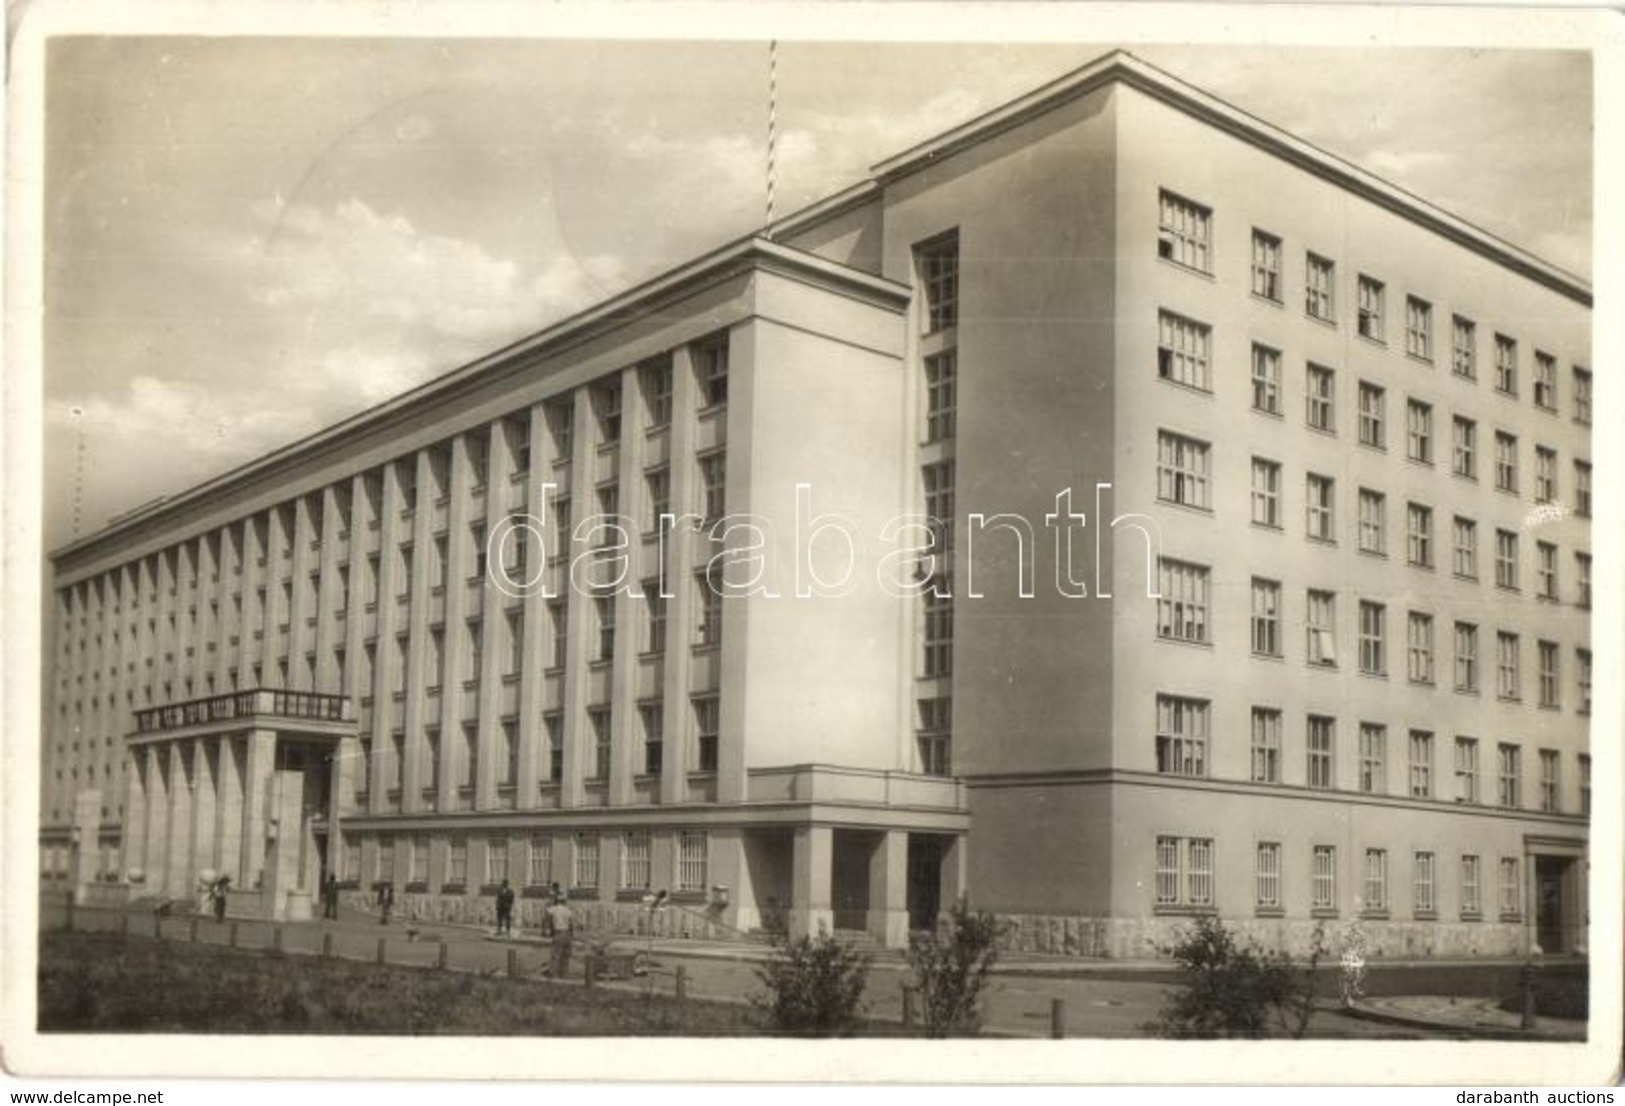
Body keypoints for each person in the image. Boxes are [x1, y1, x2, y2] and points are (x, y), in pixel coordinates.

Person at [545, 894, 574, 978]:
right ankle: (564, 973)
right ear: (564, 901)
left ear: (557, 901)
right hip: (567, 932)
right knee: (565, 955)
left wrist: (550, 927)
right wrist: (571, 935)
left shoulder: (554, 909)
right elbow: (571, 924)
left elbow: (547, 913)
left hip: (558, 932)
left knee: (555, 954)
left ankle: (553, 972)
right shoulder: (568, 910)